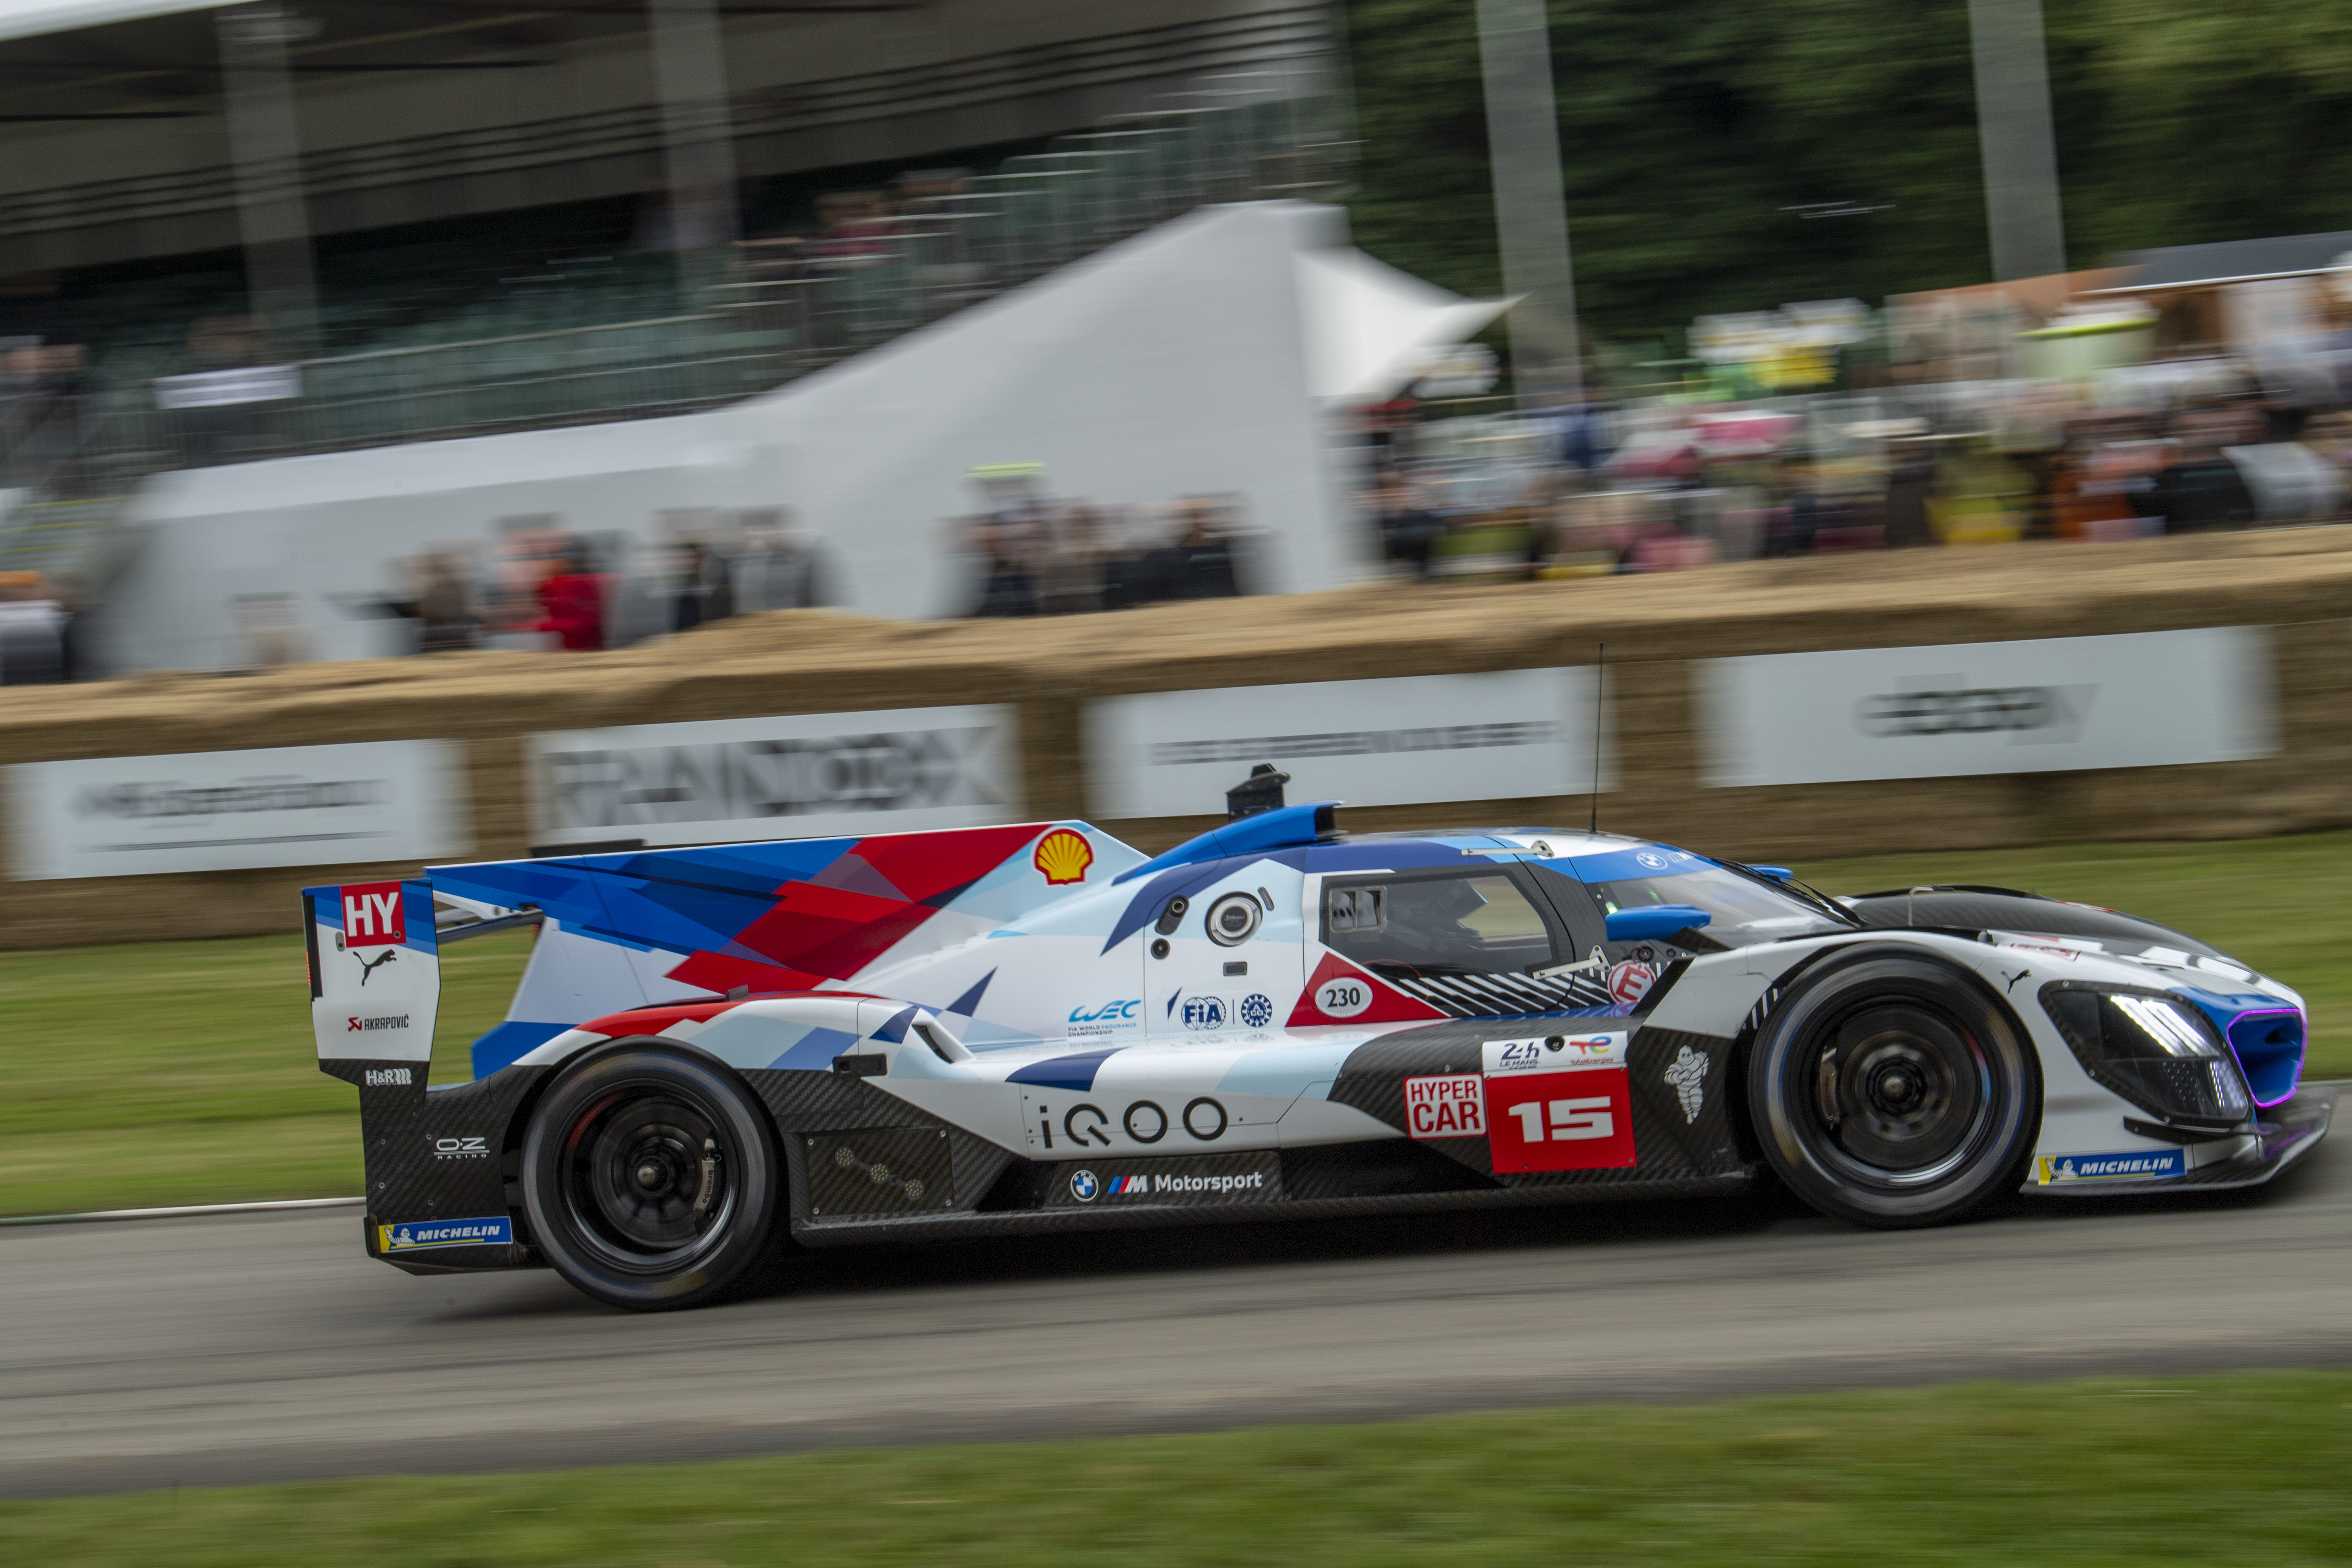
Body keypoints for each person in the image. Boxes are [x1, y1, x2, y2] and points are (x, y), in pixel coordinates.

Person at [537, 541, 608, 651]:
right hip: (566, 647)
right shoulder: (552, 584)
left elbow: (586, 623)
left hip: (585, 648)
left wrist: (542, 626)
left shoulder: (584, 582)